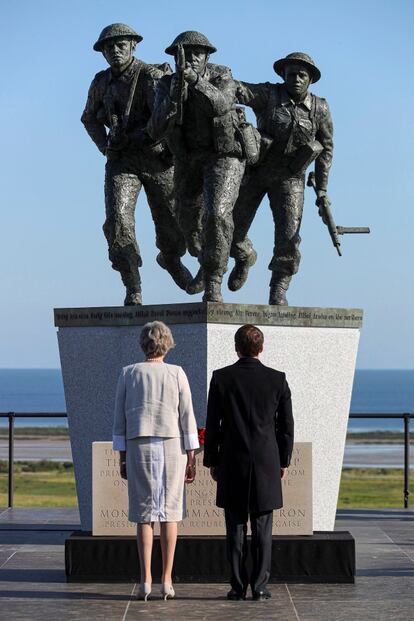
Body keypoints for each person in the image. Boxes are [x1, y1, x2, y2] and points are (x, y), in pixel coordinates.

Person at [81, 23, 192, 306]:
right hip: (122, 161)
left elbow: (166, 116)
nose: (115, 51)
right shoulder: (100, 82)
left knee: (171, 223)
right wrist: (105, 144)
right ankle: (133, 285)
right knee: (118, 223)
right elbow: (89, 118)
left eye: (121, 45)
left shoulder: (151, 76)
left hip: (157, 159)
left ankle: (170, 257)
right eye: (109, 47)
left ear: (133, 46)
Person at [148, 31, 246, 302]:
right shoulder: (165, 84)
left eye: (197, 53)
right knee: (189, 227)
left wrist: (196, 83)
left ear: (207, 56)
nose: (190, 58)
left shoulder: (222, 75)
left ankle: (213, 279)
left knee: (217, 215)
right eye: (184, 53)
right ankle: (235, 253)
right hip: (188, 157)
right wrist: (172, 97)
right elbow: (154, 130)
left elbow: (223, 104)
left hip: (224, 156)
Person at [229, 52, 334, 305]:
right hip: (257, 172)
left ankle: (279, 289)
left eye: (302, 75)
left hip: (291, 178)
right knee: (230, 230)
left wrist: (321, 189)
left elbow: (326, 148)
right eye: (291, 74)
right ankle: (244, 256)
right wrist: (215, 77)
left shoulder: (320, 108)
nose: (296, 79)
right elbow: (239, 90)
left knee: (289, 237)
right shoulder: (269, 95)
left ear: (310, 80)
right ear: (283, 76)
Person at [203, 324, 294, 600]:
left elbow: (213, 424)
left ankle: (237, 586)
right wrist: (283, 459)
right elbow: (286, 426)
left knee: (235, 528)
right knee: (263, 527)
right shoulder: (277, 380)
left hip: (232, 460)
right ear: (261, 348)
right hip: (267, 461)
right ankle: (261, 585)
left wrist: (212, 461)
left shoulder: (221, 378)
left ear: (236, 348)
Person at [112, 321, 199, 600]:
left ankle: (145, 579)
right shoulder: (176, 373)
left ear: (143, 344)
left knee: (144, 513)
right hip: (172, 444)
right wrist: (192, 455)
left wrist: (122, 456)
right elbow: (187, 416)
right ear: (168, 343)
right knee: (170, 511)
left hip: (139, 444)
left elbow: (120, 419)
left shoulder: (129, 373)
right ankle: (167, 579)